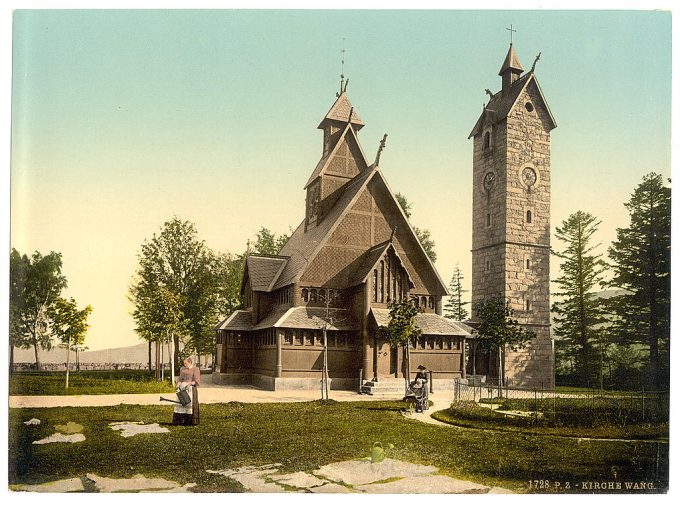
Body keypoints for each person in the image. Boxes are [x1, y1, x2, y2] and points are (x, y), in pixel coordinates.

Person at [172, 357, 201, 426]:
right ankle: (180, 421)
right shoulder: (182, 369)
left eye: (186, 363)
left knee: (189, 404)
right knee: (180, 403)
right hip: (182, 388)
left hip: (190, 389)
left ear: (190, 362)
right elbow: (180, 378)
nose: (184, 364)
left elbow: (197, 380)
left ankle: (189, 421)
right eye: (184, 363)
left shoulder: (195, 369)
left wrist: (189, 383)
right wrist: (178, 384)